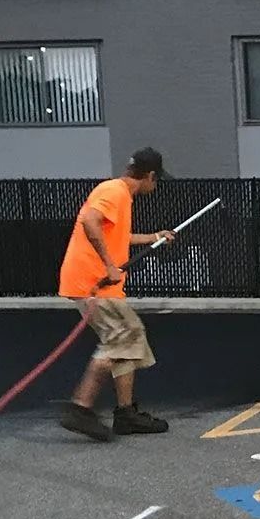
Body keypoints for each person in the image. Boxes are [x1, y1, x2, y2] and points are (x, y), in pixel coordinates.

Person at [57, 148, 175, 441]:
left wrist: (154, 237)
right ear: (150, 176)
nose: (155, 186)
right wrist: (109, 265)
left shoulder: (120, 195)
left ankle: (125, 413)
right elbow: (90, 221)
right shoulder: (114, 191)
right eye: (156, 180)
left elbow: (117, 236)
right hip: (94, 283)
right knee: (124, 338)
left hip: (98, 284)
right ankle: (80, 407)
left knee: (127, 341)